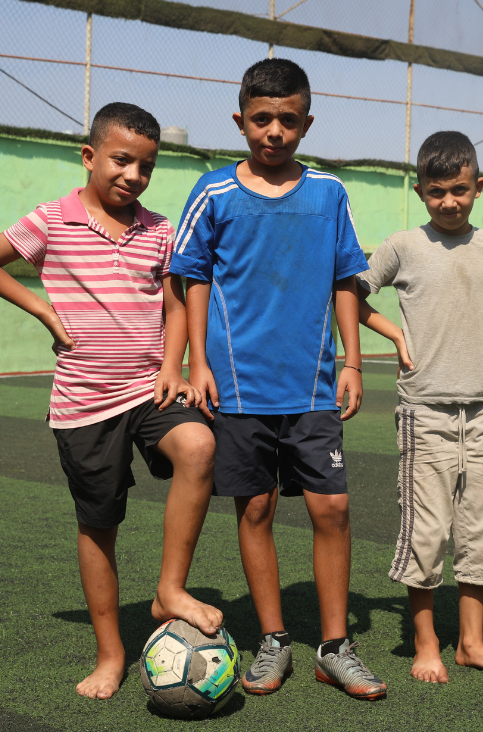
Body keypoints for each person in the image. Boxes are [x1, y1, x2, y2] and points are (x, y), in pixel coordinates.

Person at [0, 102, 220, 700]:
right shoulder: (52, 220)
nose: (133, 176)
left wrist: (172, 364)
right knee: (99, 526)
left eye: (147, 167)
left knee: (200, 446)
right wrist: (45, 310)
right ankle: (110, 654)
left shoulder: (160, 230)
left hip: (149, 388)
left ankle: (170, 589)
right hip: (83, 402)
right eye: (122, 160)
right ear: (90, 156)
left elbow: (176, 302)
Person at [169, 58, 387, 700]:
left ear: (306, 122)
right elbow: (191, 277)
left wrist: (352, 359)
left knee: (334, 510)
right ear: (240, 121)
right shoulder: (213, 193)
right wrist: (197, 364)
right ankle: (273, 641)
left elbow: (346, 277)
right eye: (261, 119)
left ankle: (335, 647)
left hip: (314, 387)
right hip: (238, 388)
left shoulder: (328, 193)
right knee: (257, 507)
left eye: (287, 120)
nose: (274, 131)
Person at [355, 130, 483, 684]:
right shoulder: (403, 246)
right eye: (437, 192)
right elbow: (354, 297)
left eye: (459, 190)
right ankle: (427, 643)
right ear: (420, 191)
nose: (449, 202)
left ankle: (472, 643)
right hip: (424, 414)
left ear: (478, 187)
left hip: (482, 415)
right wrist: (396, 337)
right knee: (427, 533)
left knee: (482, 531)